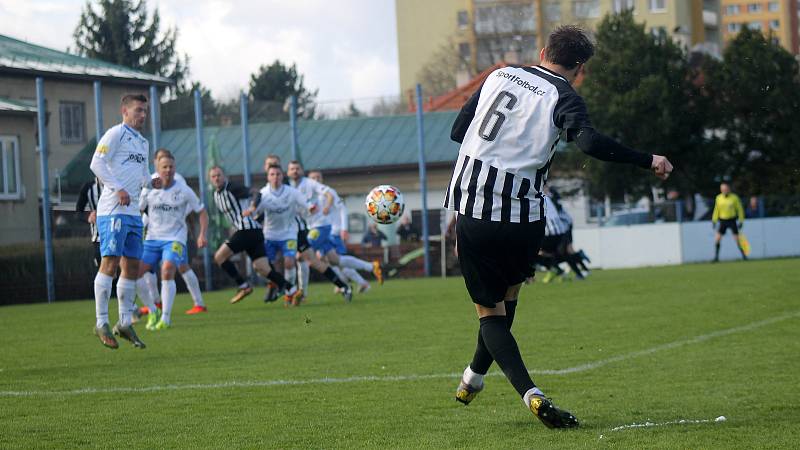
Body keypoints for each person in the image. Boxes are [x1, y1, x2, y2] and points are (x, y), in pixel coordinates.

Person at [444, 26, 672, 429]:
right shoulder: (565, 97)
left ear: (544, 50)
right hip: (524, 219)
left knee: (489, 314)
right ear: (579, 68)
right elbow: (588, 143)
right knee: (506, 299)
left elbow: (458, 132)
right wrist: (646, 158)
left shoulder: (498, 76)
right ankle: (473, 378)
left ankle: (531, 395)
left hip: (474, 208)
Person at [89, 93, 153, 349]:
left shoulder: (143, 142)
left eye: (145, 111)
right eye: (138, 110)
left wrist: (152, 181)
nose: (143, 115)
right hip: (113, 210)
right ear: (124, 111)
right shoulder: (115, 134)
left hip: (133, 214)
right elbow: (97, 163)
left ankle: (125, 322)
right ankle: (101, 322)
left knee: (132, 267)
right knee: (111, 263)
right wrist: (118, 189)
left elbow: (143, 174)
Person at [244, 165, 353, 306]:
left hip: (291, 233)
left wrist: (311, 208)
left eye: (278, 174)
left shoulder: (292, 192)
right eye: (272, 174)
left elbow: (306, 203)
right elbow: (256, 212)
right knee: (261, 267)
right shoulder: (264, 194)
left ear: (283, 176)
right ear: (267, 176)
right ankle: (285, 287)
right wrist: (250, 214)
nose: (275, 177)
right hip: (270, 235)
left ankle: (338, 286)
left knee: (298, 261)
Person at [138, 153, 208, 329]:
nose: (168, 170)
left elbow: (202, 211)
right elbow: (138, 209)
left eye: (171, 166)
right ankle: (153, 310)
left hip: (175, 238)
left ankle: (166, 319)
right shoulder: (148, 187)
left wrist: (202, 234)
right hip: (152, 238)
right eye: (164, 167)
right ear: (157, 168)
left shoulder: (183, 189)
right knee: (135, 273)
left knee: (168, 269)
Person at [209, 165, 298, 304]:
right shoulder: (216, 194)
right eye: (213, 176)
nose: (216, 178)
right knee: (262, 268)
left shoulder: (232, 188)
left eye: (219, 175)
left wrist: (253, 207)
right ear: (210, 179)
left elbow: (257, 193)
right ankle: (291, 289)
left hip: (247, 230)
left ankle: (243, 286)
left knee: (219, 256)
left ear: (224, 176)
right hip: (253, 232)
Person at [308, 170, 381, 292]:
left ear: (321, 179)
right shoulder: (309, 195)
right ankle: (352, 281)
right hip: (318, 231)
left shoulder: (329, 192)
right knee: (330, 260)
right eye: (313, 178)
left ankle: (355, 279)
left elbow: (342, 209)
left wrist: (344, 229)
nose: (315, 180)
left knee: (335, 260)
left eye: (318, 177)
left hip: (332, 231)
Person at [712, 182, 746, 262]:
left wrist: (741, 221)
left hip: (732, 220)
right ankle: (716, 257)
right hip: (723, 221)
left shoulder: (734, 198)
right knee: (717, 239)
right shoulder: (718, 198)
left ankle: (744, 256)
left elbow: (740, 210)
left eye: (725, 189)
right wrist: (714, 220)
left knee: (737, 239)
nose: (724, 190)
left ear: (728, 189)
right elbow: (716, 210)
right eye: (722, 189)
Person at [76, 177, 103, 267]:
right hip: (98, 237)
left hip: (119, 234)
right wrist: (88, 217)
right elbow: (78, 212)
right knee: (104, 269)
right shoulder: (89, 187)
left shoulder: (119, 185)